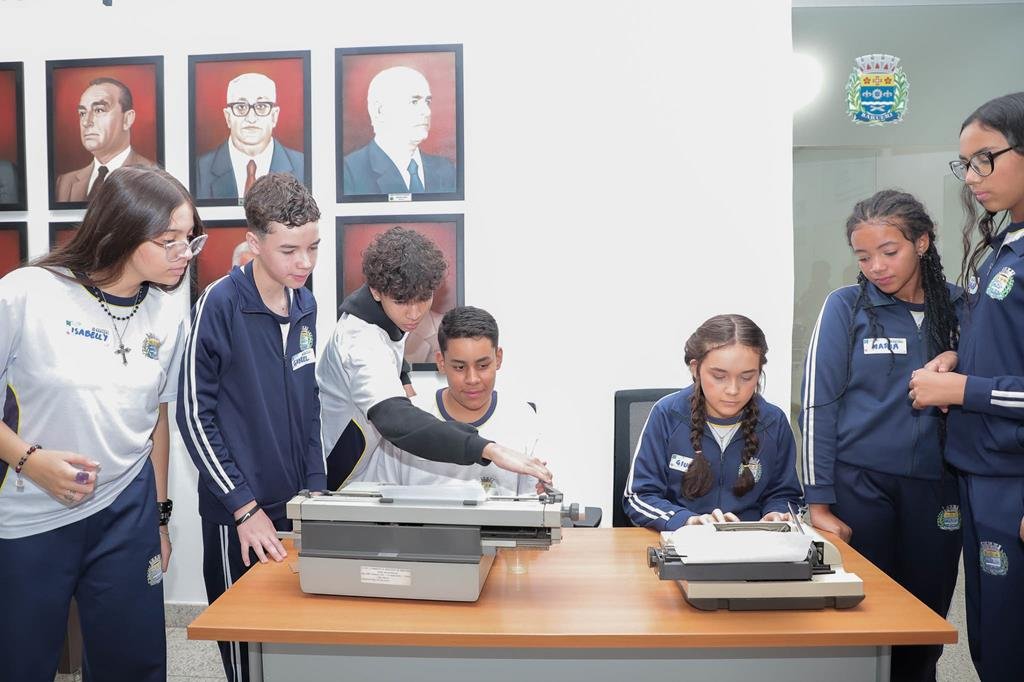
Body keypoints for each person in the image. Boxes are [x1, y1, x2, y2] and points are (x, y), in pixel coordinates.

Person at [0, 165, 202, 681]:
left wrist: (159, 520)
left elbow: (157, 420)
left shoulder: (167, 312)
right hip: (30, 509)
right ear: (122, 231)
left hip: (126, 510)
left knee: (133, 663)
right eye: (170, 240)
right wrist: (30, 461)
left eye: (189, 239)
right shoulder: (28, 294)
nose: (184, 253)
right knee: (20, 662)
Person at [801, 190, 962, 682]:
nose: (876, 267)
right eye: (863, 256)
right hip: (861, 486)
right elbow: (817, 405)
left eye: (889, 252)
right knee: (861, 614)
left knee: (925, 618)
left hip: (939, 486)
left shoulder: (962, 307)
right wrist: (818, 500)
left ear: (922, 242)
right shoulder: (845, 306)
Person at [177, 172, 321, 682]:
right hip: (238, 511)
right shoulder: (218, 304)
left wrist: (316, 492)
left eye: (313, 247)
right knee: (245, 653)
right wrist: (244, 507)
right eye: (290, 250)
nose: (305, 262)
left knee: (293, 646)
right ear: (254, 243)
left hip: (295, 505)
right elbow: (193, 414)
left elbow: (309, 405)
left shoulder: (304, 302)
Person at [909, 91, 1024, 682]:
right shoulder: (1004, 248)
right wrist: (960, 358)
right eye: (966, 164)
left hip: (1014, 478)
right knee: (990, 637)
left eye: (986, 159)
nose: (973, 177)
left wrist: (962, 392)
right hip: (980, 469)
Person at [317, 226, 551, 491]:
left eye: (423, 298)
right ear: (376, 291)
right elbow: (394, 419)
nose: (415, 313)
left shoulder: (386, 317)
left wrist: (403, 377)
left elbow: (390, 349)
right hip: (336, 481)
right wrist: (488, 449)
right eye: (402, 301)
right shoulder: (360, 341)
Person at [623, 314, 802, 529]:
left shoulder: (773, 422)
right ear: (695, 368)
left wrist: (778, 514)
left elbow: (786, 495)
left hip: (751, 543)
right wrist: (686, 520)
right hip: (682, 542)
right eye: (719, 376)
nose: (733, 390)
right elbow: (639, 496)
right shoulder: (666, 414)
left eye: (747, 377)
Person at [373, 305, 542, 495]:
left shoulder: (522, 418)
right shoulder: (408, 419)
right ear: (441, 362)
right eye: (460, 367)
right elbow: (383, 498)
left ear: (498, 358)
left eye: (483, 365)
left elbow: (532, 503)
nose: (472, 379)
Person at [342, 66, 456, 196]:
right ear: (380, 111)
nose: (427, 111)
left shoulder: (445, 169)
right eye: (414, 102)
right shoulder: (349, 172)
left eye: (427, 102)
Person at [195, 72, 305, 200]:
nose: (251, 118)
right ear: (228, 117)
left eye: (261, 106)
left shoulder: (302, 166)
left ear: (274, 116)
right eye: (241, 107)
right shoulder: (199, 169)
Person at [55, 77, 155, 203]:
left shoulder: (154, 177)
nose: (86, 122)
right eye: (82, 113)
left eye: (99, 110)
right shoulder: (64, 183)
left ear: (127, 119)